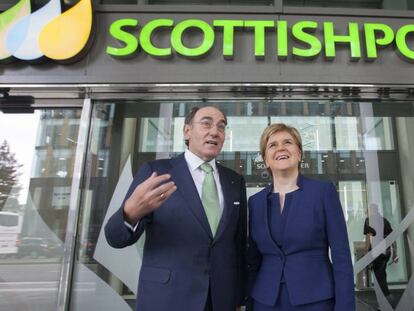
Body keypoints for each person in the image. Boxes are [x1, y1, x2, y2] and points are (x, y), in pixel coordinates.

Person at [105, 106, 247, 311]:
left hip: (220, 299)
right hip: (168, 297)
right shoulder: (157, 172)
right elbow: (115, 238)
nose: (215, 131)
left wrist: (238, 298)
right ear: (187, 131)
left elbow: (238, 244)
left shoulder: (235, 181)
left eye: (221, 127)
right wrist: (130, 213)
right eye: (206, 123)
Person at [247, 123, 355, 311]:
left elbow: (342, 257)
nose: (280, 147)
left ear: (300, 153)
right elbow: (253, 260)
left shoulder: (323, 192)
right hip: (265, 302)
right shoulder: (255, 202)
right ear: (265, 159)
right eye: (272, 145)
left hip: (316, 300)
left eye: (288, 142)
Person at [364, 203, 398, 303]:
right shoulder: (384, 220)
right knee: (382, 274)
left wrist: (366, 253)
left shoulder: (368, 220)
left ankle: (387, 298)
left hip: (376, 252)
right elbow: (393, 238)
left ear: (370, 210)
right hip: (386, 251)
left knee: (379, 276)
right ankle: (386, 298)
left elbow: (368, 238)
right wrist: (395, 253)